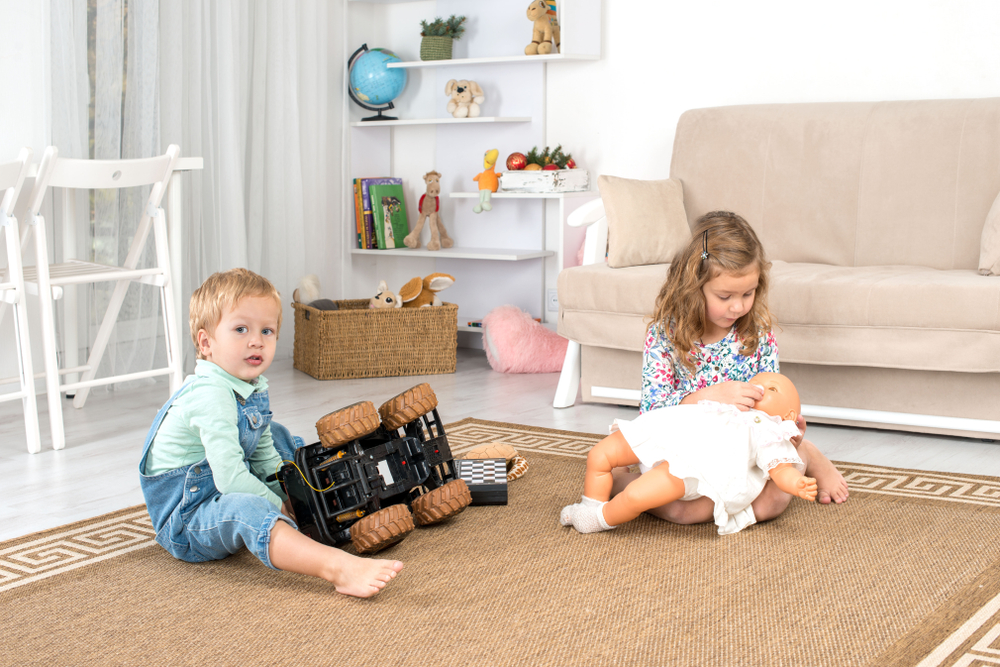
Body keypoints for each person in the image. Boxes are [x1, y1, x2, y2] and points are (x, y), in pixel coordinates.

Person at [139, 268, 403, 598]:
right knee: (251, 510)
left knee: (277, 436)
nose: (256, 340)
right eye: (241, 329)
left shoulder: (251, 386)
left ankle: (323, 501)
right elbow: (231, 480)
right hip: (188, 518)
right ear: (206, 343)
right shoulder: (210, 394)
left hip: (220, 482)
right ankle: (336, 567)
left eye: (267, 330)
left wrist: (290, 495)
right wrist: (277, 506)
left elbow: (265, 459)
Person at [613, 211, 848, 526]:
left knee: (774, 502)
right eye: (725, 296)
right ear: (693, 287)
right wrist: (706, 397)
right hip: (685, 447)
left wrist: (784, 432)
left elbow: (771, 401)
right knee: (681, 513)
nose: (738, 307)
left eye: (748, 294)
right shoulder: (665, 334)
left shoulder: (757, 333)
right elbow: (652, 410)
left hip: (740, 452)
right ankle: (626, 483)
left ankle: (807, 453)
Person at [561, 373, 817, 535]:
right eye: (755, 382)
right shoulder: (730, 403)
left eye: (771, 389)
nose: (758, 388)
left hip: (690, 467)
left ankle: (598, 519)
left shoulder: (768, 430)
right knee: (598, 455)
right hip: (665, 434)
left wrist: (796, 483)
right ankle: (590, 504)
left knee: (635, 495)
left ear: (788, 416)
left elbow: (780, 469)